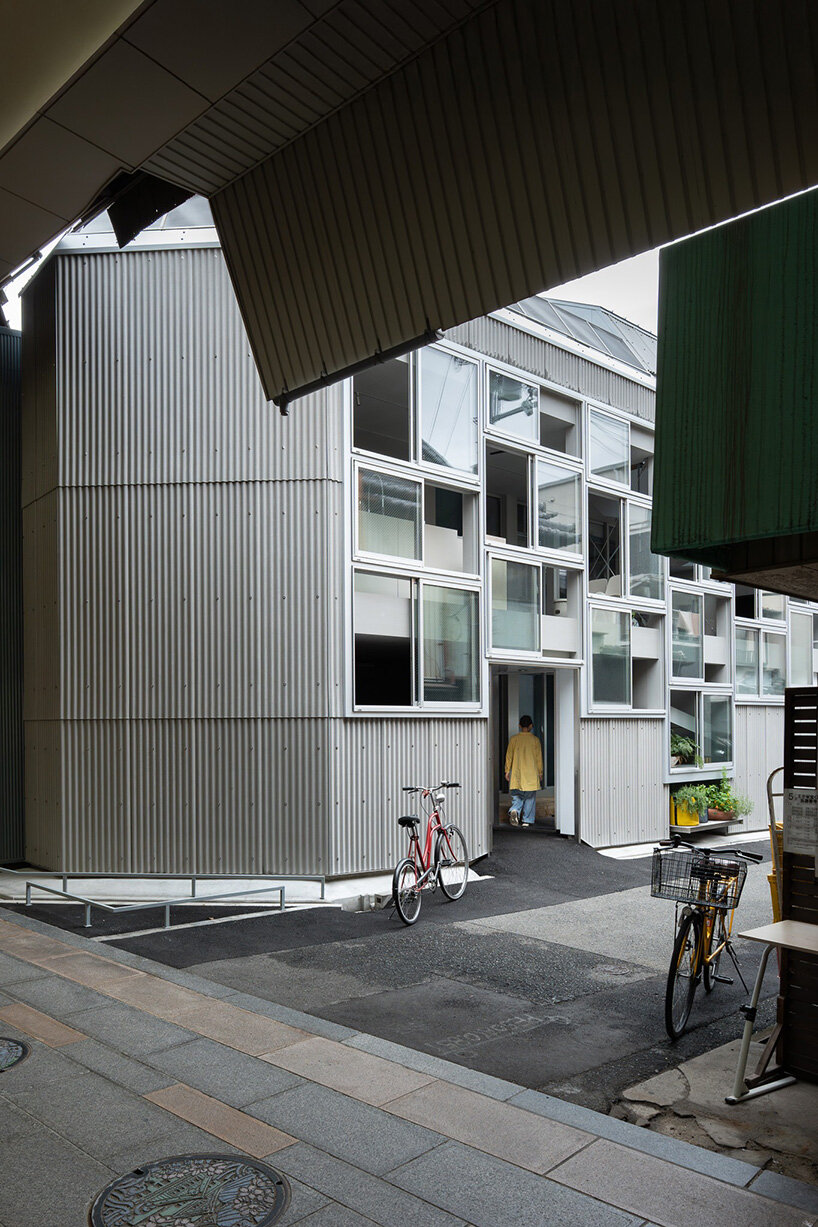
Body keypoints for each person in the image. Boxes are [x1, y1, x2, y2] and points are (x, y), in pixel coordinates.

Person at [504, 715, 543, 829]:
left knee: (517, 795)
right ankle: (526, 820)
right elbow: (538, 758)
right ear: (531, 726)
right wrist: (540, 772)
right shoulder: (535, 740)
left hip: (517, 773)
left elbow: (509, 756)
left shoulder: (514, 739)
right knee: (530, 797)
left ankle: (515, 810)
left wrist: (507, 770)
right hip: (531, 774)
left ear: (519, 726)